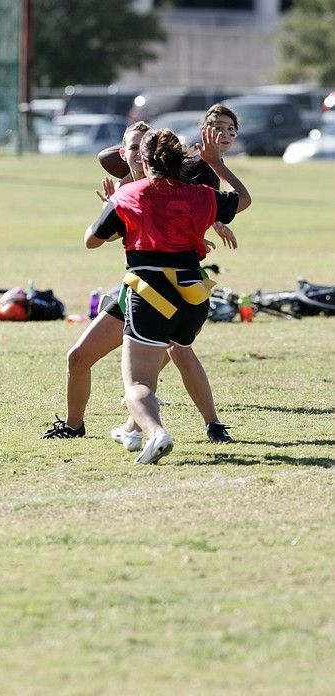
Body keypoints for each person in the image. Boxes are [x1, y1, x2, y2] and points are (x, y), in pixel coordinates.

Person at [41, 110, 238, 446]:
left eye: (140, 147)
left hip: (157, 286)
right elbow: (124, 233)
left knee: (165, 359)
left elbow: (196, 211)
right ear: (122, 153)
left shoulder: (172, 184)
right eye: (130, 147)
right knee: (80, 357)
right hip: (136, 288)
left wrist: (205, 228)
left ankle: (194, 425)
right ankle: (78, 426)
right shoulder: (125, 190)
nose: (135, 153)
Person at [84, 125, 251, 464]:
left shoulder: (128, 194)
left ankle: (155, 432)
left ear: (144, 163)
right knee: (181, 353)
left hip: (151, 292)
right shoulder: (201, 193)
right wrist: (216, 164)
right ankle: (153, 428)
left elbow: (92, 240)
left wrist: (110, 210)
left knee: (137, 383)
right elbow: (242, 200)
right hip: (193, 296)